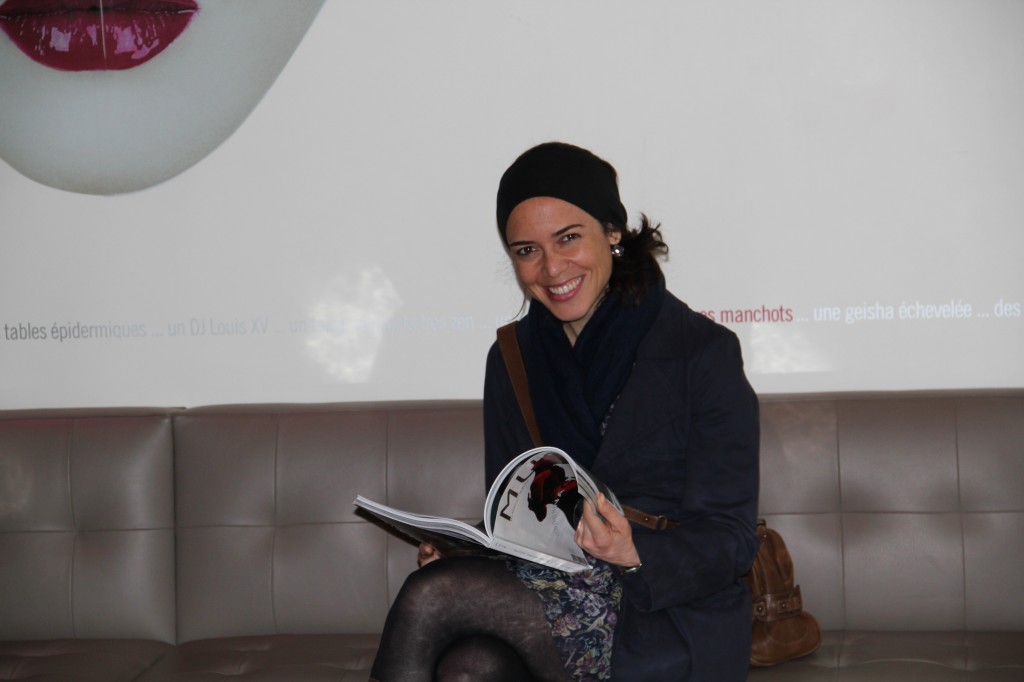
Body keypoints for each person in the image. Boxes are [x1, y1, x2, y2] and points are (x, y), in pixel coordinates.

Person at [370, 141, 760, 681]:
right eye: (527, 250)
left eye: (568, 238)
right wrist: (468, 551)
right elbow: (516, 512)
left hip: (660, 606)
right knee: (470, 666)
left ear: (613, 231)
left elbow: (732, 540)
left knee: (433, 595)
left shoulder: (700, 352)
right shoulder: (512, 358)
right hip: (550, 584)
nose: (551, 268)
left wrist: (633, 550)